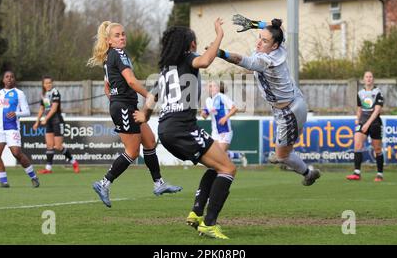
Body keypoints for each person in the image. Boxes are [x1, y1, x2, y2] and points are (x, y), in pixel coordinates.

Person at [134, 18, 237, 240]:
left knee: (216, 166)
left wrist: (144, 115)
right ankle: (209, 224)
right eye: (195, 43)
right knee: (228, 169)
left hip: (166, 129)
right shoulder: (188, 59)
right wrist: (219, 35)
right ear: (190, 45)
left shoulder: (165, 70)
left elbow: (152, 96)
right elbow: (206, 61)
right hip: (182, 128)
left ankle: (196, 212)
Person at [87, 21, 182, 207]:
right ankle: (103, 183)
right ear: (109, 40)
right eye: (117, 35)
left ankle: (158, 184)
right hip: (124, 107)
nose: (122, 37)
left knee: (149, 140)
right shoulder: (119, 53)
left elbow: (108, 86)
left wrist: (115, 100)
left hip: (125, 106)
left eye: (123, 34)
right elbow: (131, 81)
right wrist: (149, 96)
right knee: (132, 152)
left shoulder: (109, 56)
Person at [219, 14, 321, 186]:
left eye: (264, 41)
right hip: (292, 102)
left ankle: (308, 173)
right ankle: (294, 159)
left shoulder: (266, 60)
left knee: (282, 156)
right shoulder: (280, 45)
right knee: (282, 151)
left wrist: (220, 53)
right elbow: (279, 29)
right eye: (260, 38)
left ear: (274, 46)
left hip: (290, 112)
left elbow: (240, 60)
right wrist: (255, 24)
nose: (259, 43)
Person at [0, 71, 40, 188]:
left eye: (12, 77)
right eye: (7, 77)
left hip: (12, 128)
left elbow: (27, 112)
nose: (9, 79)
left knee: (17, 153)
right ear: (3, 80)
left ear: (14, 80)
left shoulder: (19, 94)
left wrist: (16, 113)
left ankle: (33, 177)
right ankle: (3, 181)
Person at [33, 76, 80, 174]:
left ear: (52, 83)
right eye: (46, 83)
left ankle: (74, 162)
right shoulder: (44, 95)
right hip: (49, 121)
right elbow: (43, 108)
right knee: (49, 145)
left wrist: (45, 119)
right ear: (43, 84)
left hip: (57, 121)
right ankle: (48, 168)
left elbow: (54, 109)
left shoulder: (55, 92)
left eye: (50, 82)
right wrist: (37, 121)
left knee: (58, 146)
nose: (48, 84)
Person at [346, 71, 385, 182]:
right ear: (364, 79)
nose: (368, 79)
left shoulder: (378, 92)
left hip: (375, 123)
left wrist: (368, 123)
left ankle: (379, 174)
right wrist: (358, 120)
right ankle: (357, 173)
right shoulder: (360, 93)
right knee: (357, 143)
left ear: (373, 79)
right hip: (363, 122)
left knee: (377, 149)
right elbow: (359, 108)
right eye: (366, 77)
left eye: (370, 77)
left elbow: (377, 110)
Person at [202, 80, 247, 167]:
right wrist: (204, 114)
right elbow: (205, 116)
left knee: (219, 155)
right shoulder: (208, 100)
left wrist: (225, 118)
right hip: (215, 132)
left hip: (225, 130)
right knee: (215, 155)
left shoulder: (222, 97)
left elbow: (234, 109)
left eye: (213, 86)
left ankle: (226, 171)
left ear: (218, 88)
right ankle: (238, 155)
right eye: (209, 86)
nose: (210, 88)